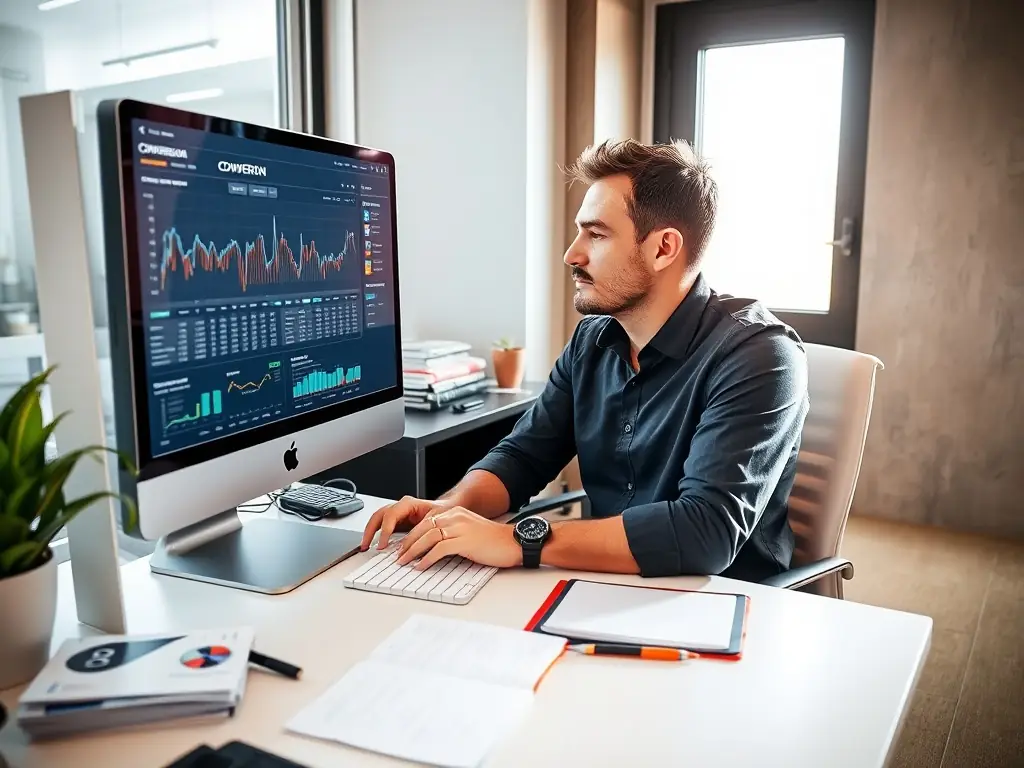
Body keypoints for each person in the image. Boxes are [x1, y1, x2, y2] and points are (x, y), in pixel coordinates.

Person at [361, 138, 809, 582]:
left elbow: (704, 533)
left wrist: (519, 540)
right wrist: (449, 510)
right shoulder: (592, 341)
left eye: (596, 234)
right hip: (602, 581)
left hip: (722, 600)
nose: (571, 254)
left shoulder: (760, 356)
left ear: (663, 248)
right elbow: (524, 455)